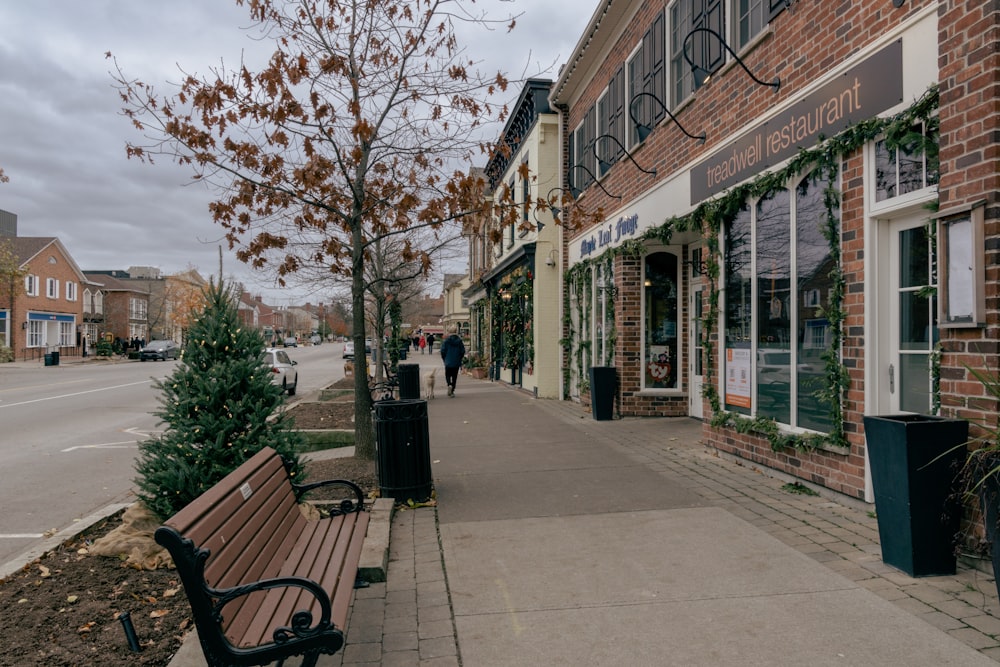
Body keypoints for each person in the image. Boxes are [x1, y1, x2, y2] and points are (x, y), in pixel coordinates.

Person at [439, 326, 465, 397]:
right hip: (456, 361)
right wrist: (459, 358)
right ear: (456, 331)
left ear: (449, 332)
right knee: (454, 376)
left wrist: (444, 359)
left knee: (447, 375)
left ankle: (449, 384)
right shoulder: (459, 341)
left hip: (448, 361)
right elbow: (462, 351)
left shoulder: (446, 341)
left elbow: (443, 351)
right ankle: (452, 390)